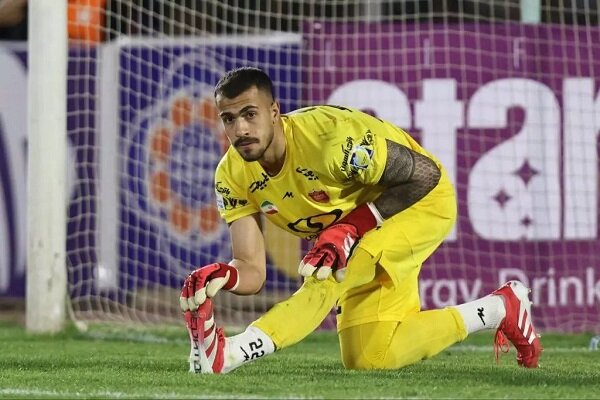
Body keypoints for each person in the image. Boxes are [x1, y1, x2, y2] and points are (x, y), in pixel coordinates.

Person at [179, 67, 542, 374]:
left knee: (324, 276)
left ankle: (232, 353)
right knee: (370, 356)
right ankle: (499, 308)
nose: (240, 129)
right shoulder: (231, 175)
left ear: (274, 112)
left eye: (249, 114)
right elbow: (252, 270)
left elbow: (425, 175)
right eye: (229, 119)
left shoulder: (330, 140)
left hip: (419, 205)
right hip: (362, 230)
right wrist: (224, 275)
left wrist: (350, 227)